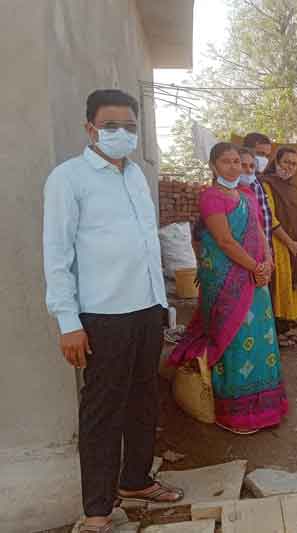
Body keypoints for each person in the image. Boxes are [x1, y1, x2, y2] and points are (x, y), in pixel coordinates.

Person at [43, 89, 183, 533]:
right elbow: (57, 255)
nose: (121, 133)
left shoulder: (136, 175)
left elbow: (145, 245)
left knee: (144, 400)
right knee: (103, 411)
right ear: (90, 129)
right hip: (102, 316)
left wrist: (162, 304)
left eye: (129, 126)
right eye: (110, 126)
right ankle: (97, 510)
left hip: (146, 309)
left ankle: (136, 480)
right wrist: (68, 322)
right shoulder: (69, 179)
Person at [169, 142, 287, 435]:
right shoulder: (211, 197)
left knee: (261, 336)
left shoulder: (247, 195)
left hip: (255, 278)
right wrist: (255, 267)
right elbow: (224, 241)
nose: (234, 167)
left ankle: (265, 408)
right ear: (213, 166)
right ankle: (235, 413)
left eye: (237, 161)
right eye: (226, 161)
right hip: (226, 280)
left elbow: (259, 232)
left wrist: (268, 262)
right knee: (234, 338)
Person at [260, 147, 297, 330]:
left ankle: (288, 322)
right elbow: (269, 218)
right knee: (280, 281)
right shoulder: (266, 184)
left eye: (294, 164)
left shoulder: (293, 187)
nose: (290, 167)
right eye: (286, 162)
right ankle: (277, 326)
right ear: (276, 162)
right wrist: (289, 242)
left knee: (293, 280)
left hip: (295, 242)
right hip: (277, 243)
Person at [238, 146, 273, 245]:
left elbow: (263, 216)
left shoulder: (256, 184)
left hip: (261, 244)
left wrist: (266, 246)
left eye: (252, 166)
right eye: (243, 166)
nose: (249, 170)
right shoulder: (228, 190)